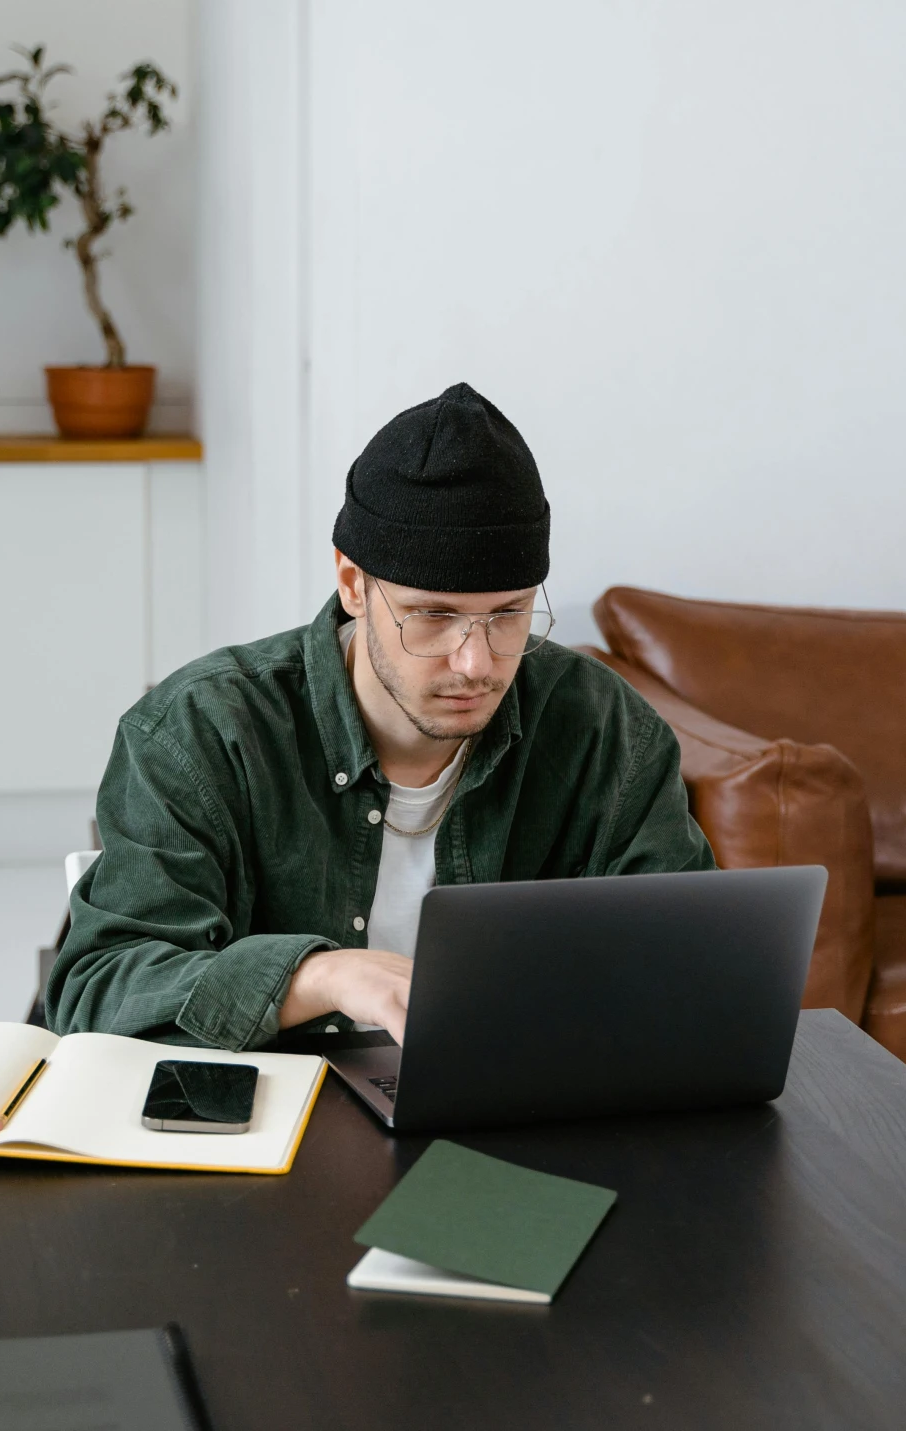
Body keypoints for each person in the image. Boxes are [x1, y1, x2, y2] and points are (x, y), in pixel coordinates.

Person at [44, 382, 715, 1046]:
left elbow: (695, 965)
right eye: (433, 615)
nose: (476, 661)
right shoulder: (200, 732)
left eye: (508, 613)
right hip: (281, 1127)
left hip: (519, 1118)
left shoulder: (606, 731)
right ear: (352, 584)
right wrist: (321, 977)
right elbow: (100, 984)